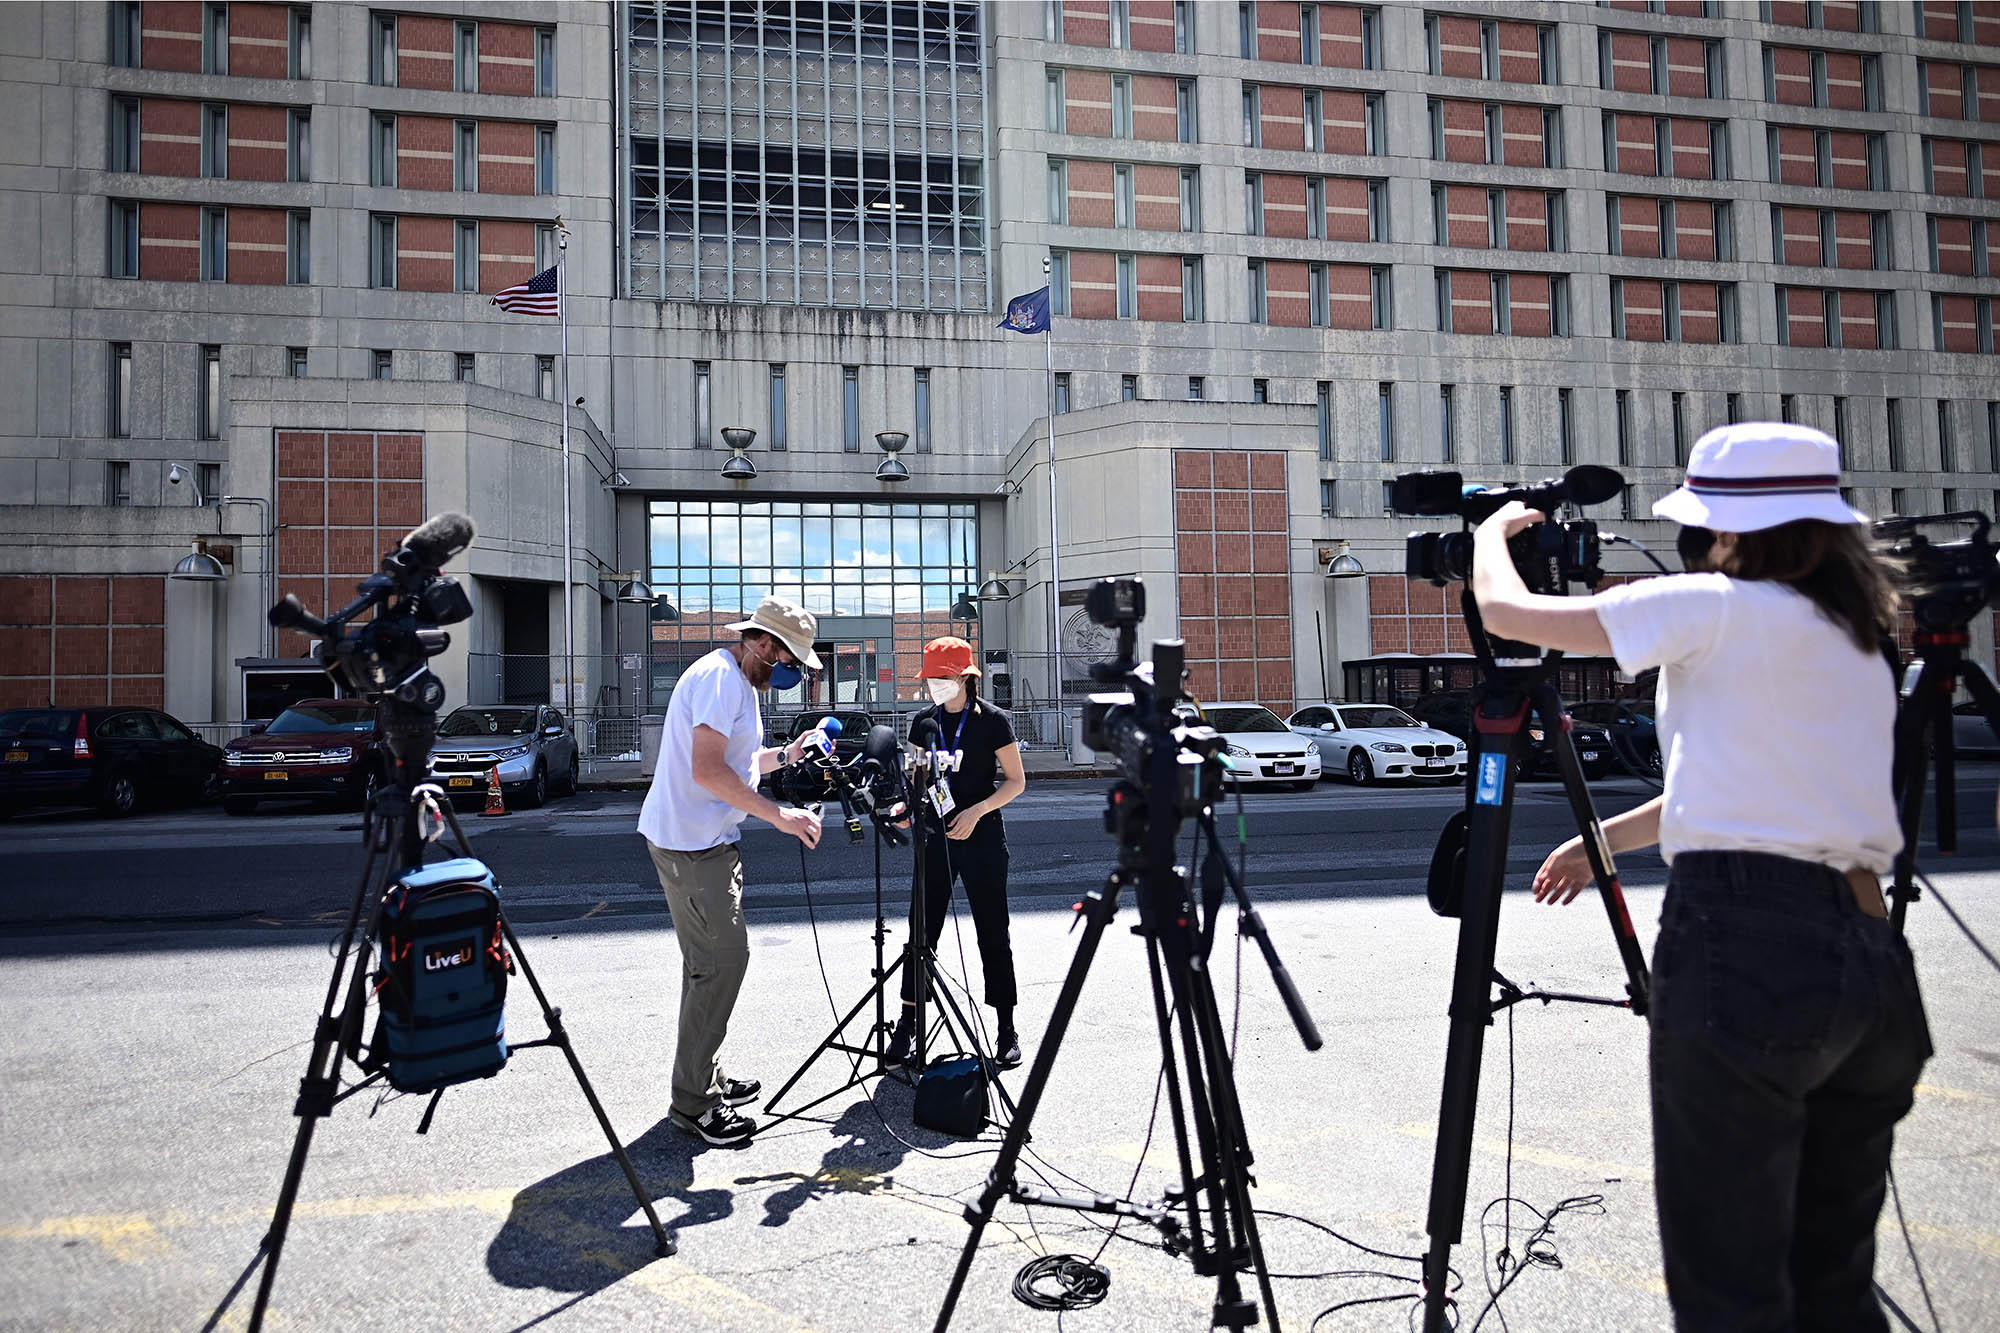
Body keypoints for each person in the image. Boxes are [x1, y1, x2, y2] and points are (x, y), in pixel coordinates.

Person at [1473, 422, 1931, 1330]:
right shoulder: (1860, 640)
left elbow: (1508, 617)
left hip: (1746, 948)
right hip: (1868, 957)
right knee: (1832, 1287)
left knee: (1731, 1292)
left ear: (1727, 533)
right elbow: (1753, 800)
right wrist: (1601, 840)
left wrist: (1490, 537)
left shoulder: (1714, 603)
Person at [639, 595, 826, 1146]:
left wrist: (788, 754)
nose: (791, 672)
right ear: (762, 644)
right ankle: (694, 1102)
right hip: (693, 848)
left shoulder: (735, 682)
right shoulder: (722, 680)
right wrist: (781, 816)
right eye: (789, 661)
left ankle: (704, 1074)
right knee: (722, 964)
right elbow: (706, 771)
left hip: (701, 842)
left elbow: (740, 766)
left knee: (707, 968)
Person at [884, 636, 1029, 1068]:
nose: (934, 687)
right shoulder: (922, 723)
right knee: (920, 937)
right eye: (929, 680)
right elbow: (917, 780)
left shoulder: (993, 722)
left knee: (993, 934)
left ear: (966, 678)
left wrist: (978, 812)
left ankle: (1005, 1027)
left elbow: (1016, 782)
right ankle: (909, 1026)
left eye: (942, 679)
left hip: (982, 840)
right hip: (934, 841)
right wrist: (906, 807)